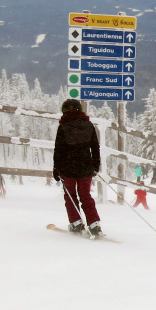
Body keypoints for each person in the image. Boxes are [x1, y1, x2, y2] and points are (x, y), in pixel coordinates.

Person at [52, 98, 104, 237]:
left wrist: (56, 169)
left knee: (70, 196)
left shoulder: (63, 127)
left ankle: (76, 223)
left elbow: (58, 150)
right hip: (85, 166)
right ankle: (94, 224)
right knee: (85, 195)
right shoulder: (88, 125)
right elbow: (95, 147)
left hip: (67, 167)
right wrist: (95, 165)